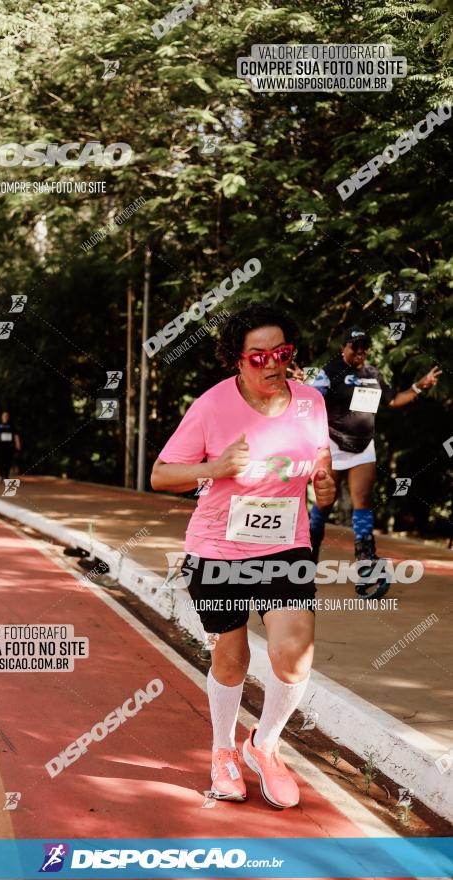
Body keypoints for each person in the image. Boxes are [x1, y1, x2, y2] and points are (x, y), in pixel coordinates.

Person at [150, 303, 335, 809]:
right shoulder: (211, 406)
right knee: (232, 658)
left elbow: (320, 463)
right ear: (237, 359)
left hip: (285, 545)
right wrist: (214, 466)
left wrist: (325, 484)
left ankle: (265, 746)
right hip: (217, 550)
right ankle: (222, 751)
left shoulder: (310, 404)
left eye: (282, 353)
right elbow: (161, 475)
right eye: (259, 356)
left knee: (294, 655)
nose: (273, 364)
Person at [307, 327, 441, 565]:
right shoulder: (330, 372)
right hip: (334, 444)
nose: (360, 351)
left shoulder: (373, 374)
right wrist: (301, 387)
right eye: (354, 346)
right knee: (325, 502)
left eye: (364, 347)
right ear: (343, 348)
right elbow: (312, 399)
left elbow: (393, 399)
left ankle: (366, 560)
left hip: (363, 447)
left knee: (364, 498)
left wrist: (420, 385)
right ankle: (308, 550)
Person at [0, 411, 21, 482]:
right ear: (1, 417)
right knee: (0, 461)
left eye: (7, 416)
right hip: (0, 446)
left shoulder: (11, 425)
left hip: (9, 446)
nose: (5, 417)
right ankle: (0, 475)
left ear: (8, 417)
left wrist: (18, 445)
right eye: (4, 416)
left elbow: (16, 435)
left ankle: (6, 476)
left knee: (8, 461)